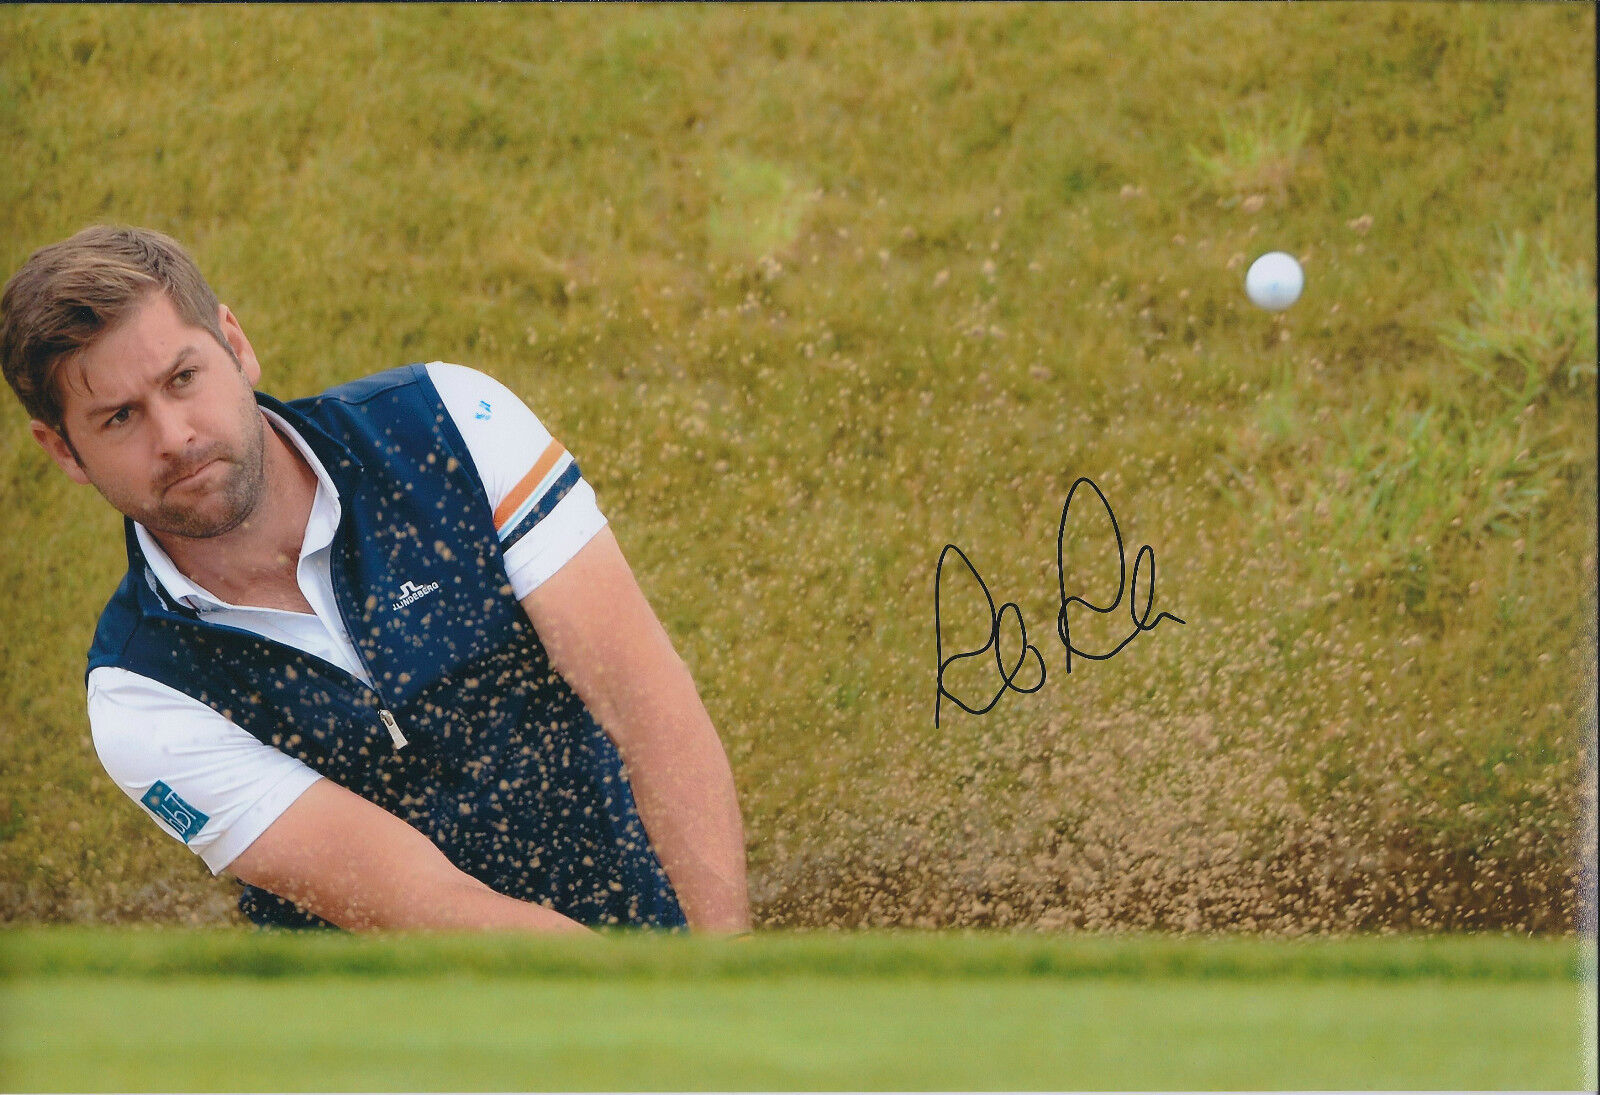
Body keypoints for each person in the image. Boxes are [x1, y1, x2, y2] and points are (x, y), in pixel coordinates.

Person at [0, 225, 751, 934]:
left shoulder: (452, 423)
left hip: (645, 933)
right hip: (402, 1046)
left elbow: (648, 707)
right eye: (120, 417)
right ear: (64, 451)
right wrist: (655, 1014)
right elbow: (429, 905)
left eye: (184, 377)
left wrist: (724, 984)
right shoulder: (141, 696)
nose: (176, 436)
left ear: (235, 344)